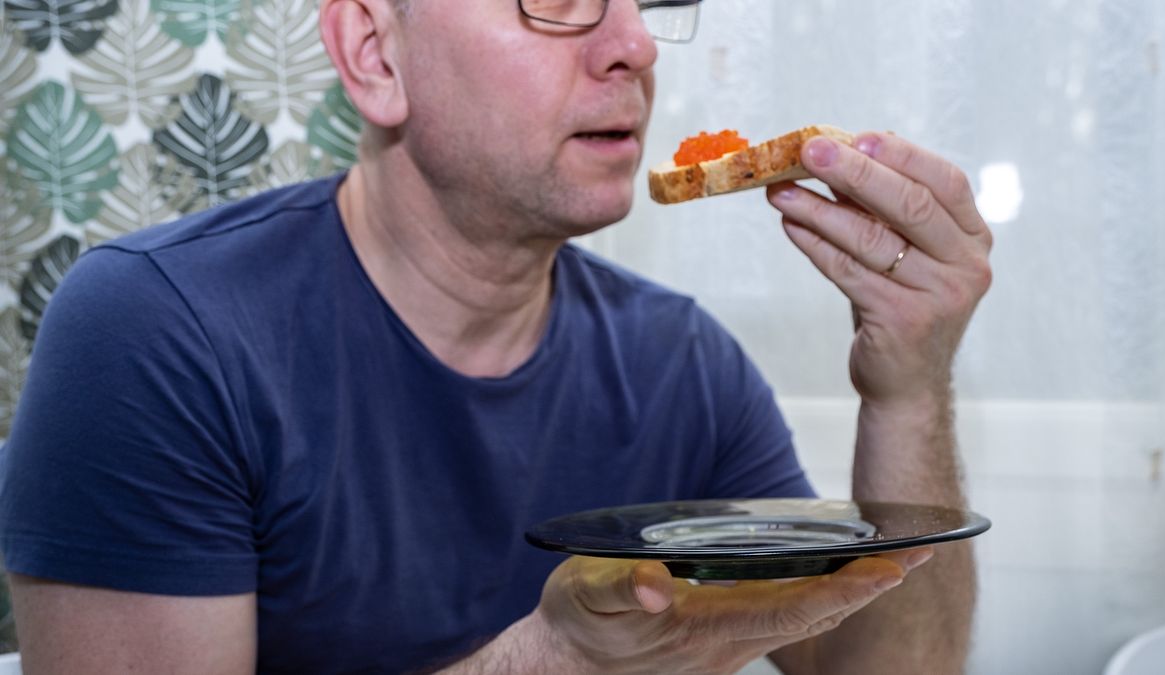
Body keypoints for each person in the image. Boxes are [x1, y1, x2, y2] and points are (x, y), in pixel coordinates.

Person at [0, 0, 992, 672]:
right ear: (376, 56)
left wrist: (909, 382)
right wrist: (553, 661)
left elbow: (891, 669)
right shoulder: (157, 332)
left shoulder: (682, 362)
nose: (635, 47)